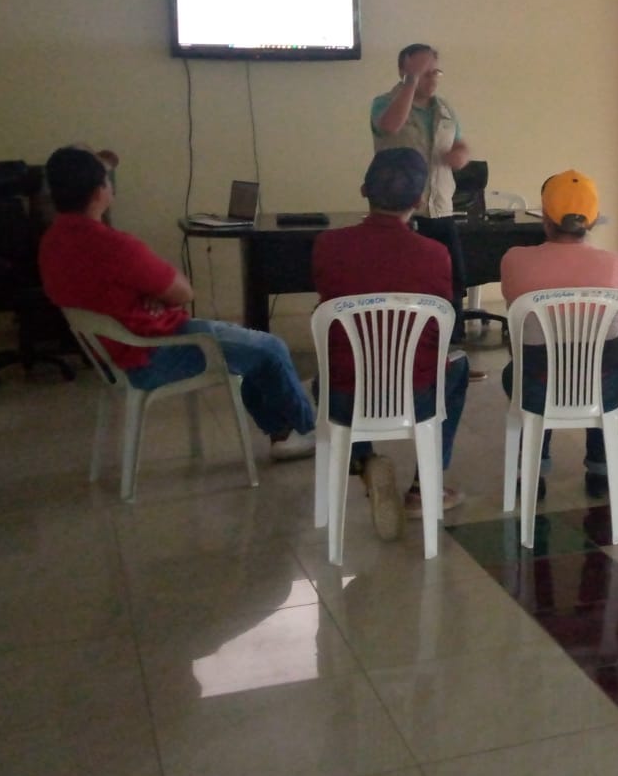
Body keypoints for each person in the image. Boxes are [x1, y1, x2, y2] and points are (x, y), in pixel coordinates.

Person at [38, 146, 315, 461]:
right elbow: (183, 292)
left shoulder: (51, 242)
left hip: (117, 353)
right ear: (100, 191)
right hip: (155, 352)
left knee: (252, 348)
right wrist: (155, 297)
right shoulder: (113, 246)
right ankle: (306, 429)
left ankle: (283, 432)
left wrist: (145, 298)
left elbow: (102, 293)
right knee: (271, 349)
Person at [312, 148, 471, 541]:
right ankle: (424, 487)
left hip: (345, 398)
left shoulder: (328, 245)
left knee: (323, 378)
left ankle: (364, 458)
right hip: (415, 397)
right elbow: (441, 326)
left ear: (364, 189)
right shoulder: (435, 254)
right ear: (419, 199)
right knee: (459, 365)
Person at [500, 170, 618, 499]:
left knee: (525, 366)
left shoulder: (515, 260)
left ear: (545, 218)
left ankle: (532, 467)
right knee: (615, 366)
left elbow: (515, 314)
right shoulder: (617, 264)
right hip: (602, 388)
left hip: (536, 387)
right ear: (593, 220)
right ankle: (600, 469)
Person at [370, 43, 471, 218]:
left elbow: (459, 144)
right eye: (424, 74)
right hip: (399, 212)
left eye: (435, 73)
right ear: (403, 73)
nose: (432, 80)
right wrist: (411, 80)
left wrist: (460, 155)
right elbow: (390, 126)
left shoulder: (444, 108)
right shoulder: (384, 103)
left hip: (441, 209)